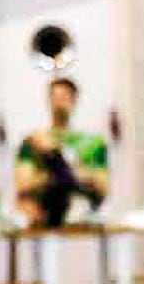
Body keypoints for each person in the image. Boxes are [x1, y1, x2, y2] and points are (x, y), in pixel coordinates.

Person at [13, 78, 108, 229]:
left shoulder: (93, 143)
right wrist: (56, 176)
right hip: (46, 210)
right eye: (55, 98)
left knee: (60, 171)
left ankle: (61, 170)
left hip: (80, 207)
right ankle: (61, 170)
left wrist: (75, 174)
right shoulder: (32, 141)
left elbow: (103, 186)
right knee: (57, 176)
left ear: (74, 100)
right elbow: (23, 184)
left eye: (64, 97)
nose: (59, 103)